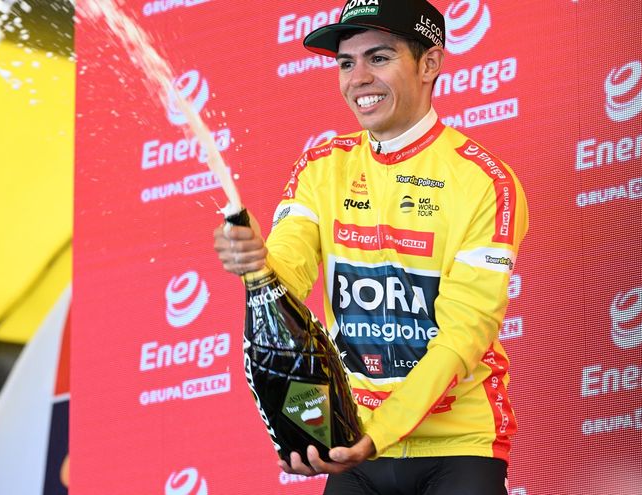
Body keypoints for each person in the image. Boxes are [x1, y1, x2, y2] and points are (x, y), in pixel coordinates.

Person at [213, 0, 528, 493]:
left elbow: (463, 336)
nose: (358, 78)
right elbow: (287, 278)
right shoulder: (321, 166)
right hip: (354, 437)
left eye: (378, 58)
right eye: (346, 63)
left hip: (458, 443)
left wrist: (379, 433)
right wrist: (255, 263)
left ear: (429, 63)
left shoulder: (484, 181)